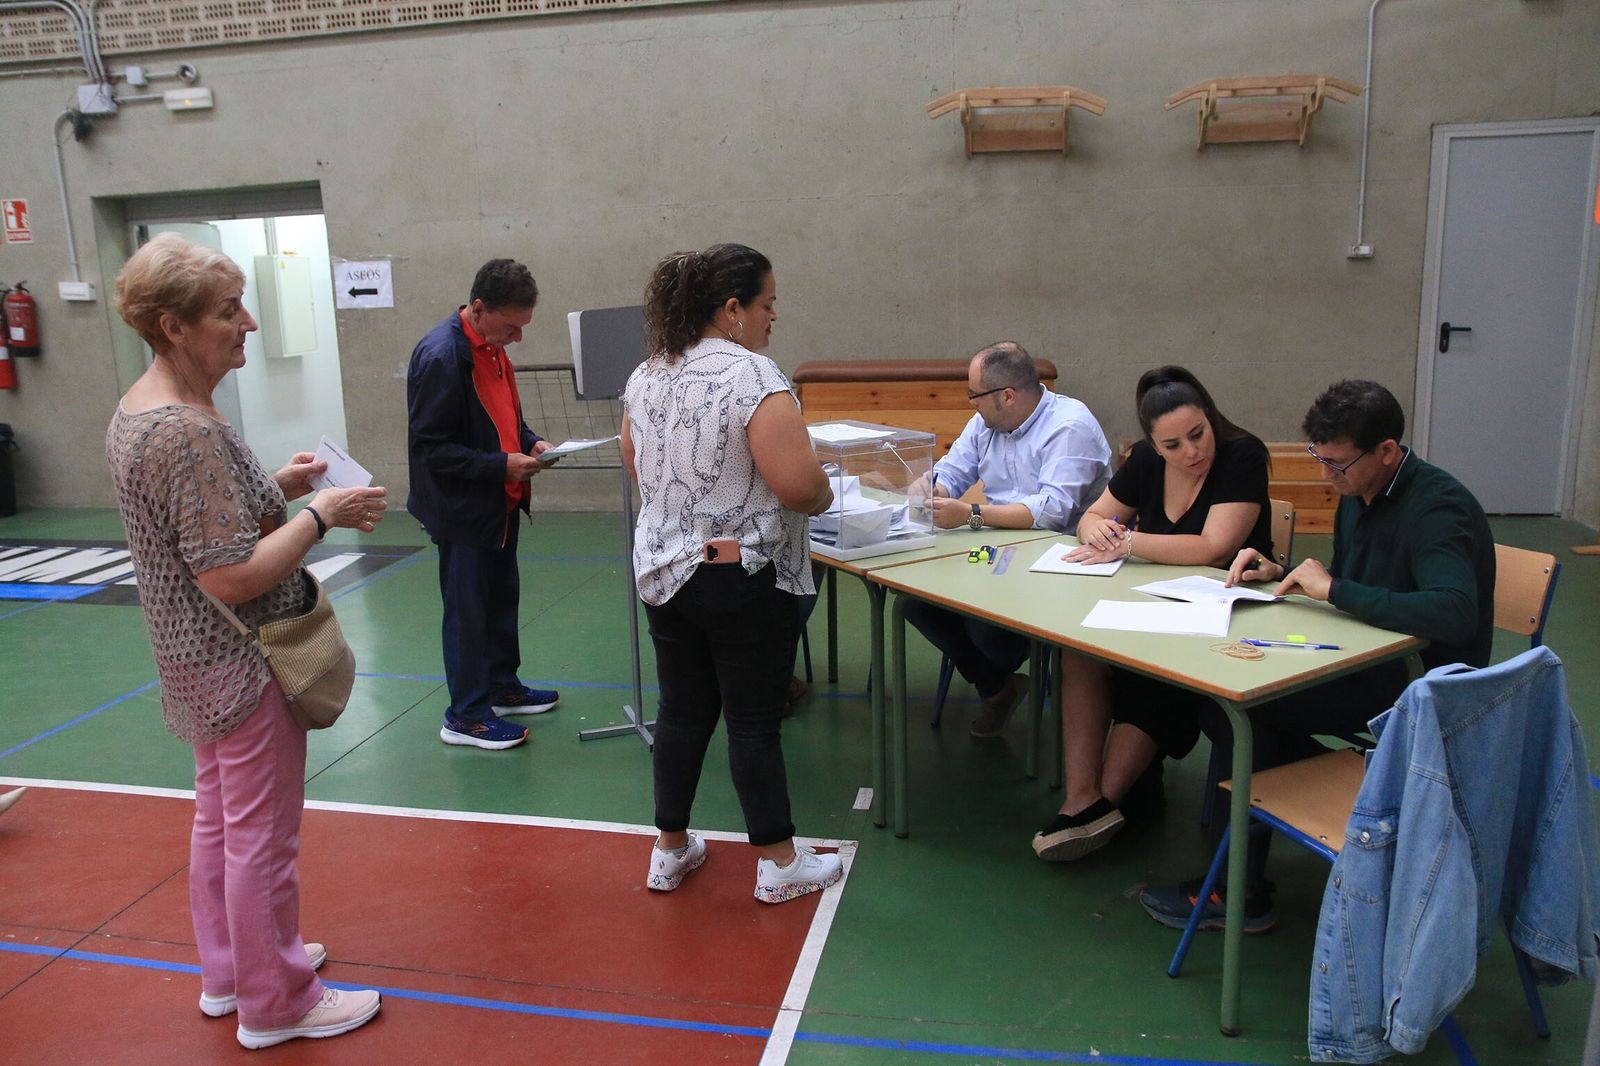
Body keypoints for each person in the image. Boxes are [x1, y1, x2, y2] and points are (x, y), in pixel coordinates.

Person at [106, 233, 385, 1049]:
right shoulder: (185, 431)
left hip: (193, 662)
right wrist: (320, 515)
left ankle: (233, 969)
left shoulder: (146, 410)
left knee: (223, 823)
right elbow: (231, 574)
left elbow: (198, 516)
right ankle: (278, 1000)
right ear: (173, 326)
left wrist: (281, 483)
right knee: (262, 835)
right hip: (242, 661)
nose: (249, 325)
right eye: (228, 312)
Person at [1139, 379, 1495, 932]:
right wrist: (1285, 578)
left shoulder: (1438, 507)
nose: (1328, 476)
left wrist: (1334, 591)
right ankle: (1290, 817)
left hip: (1418, 685)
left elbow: (1453, 612)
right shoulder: (1360, 491)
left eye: (1338, 464)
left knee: (1245, 712)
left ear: (1387, 450)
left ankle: (1237, 892)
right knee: (1225, 699)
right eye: (1319, 458)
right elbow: (1351, 583)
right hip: (1365, 656)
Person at [622, 242, 844, 904]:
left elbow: (639, 464)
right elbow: (798, 486)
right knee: (752, 720)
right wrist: (825, 489)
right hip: (739, 575)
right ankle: (778, 861)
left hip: (664, 574)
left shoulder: (646, 375)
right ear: (732, 309)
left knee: (683, 711)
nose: (773, 315)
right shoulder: (754, 378)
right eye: (767, 303)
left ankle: (669, 849)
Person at [1033, 367, 1272, 862]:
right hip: (1155, 602)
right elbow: (1094, 516)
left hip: (1229, 617)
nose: (1191, 452)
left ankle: (1101, 806)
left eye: (1197, 434)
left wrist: (1126, 542)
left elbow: (1214, 546)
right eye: (1173, 445)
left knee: (1157, 677)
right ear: (1152, 445)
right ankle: (1084, 799)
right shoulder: (1143, 461)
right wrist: (1096, 531)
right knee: (1078, 650)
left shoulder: (1242, 455)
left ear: (1210, 418)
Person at [905, 342, 1112, 737]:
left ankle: (1002, 680)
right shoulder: (987, 422)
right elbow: (955, 468)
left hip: (1058, 560)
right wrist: (934, 487)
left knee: (985, 625)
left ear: (1007, 396)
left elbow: (1053, 512)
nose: (971, 404)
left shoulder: (1070, 426)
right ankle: (998, 689)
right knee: (918, 603)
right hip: (994, 548)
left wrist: (972, 514)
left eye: (974, 395)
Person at [407, 259, 558, 751]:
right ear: (478, 308)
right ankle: (466, 715)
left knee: (499, 599)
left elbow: (503, 415)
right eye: (510, 326)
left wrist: (530, 442)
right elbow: (431, 447)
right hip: (463, 509)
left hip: (500, 504)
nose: (516, 337)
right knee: (468, 611)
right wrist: (500, 467)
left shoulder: (492, 351)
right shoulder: (443, 357)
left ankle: (500, 686)